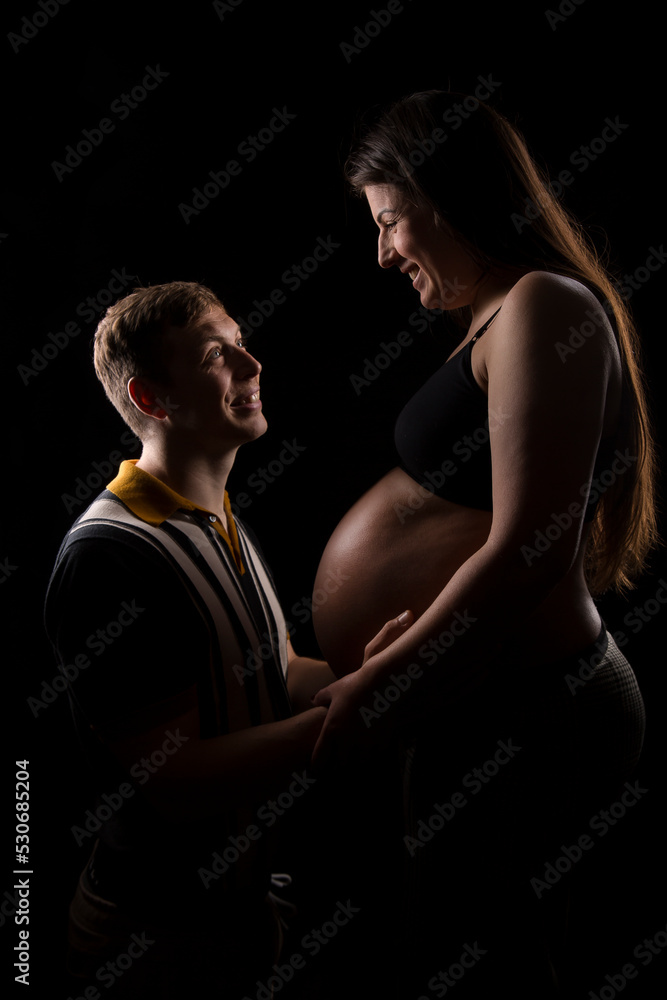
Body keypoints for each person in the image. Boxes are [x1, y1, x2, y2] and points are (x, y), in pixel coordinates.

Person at [309, 91, 658, 997]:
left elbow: (530, 549)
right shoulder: (495, 315)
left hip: (537, 708)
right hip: (482, 700)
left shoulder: (543, 304)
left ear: (449, 197)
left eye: (390, 221)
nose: (383, 252)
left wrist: (383, 683)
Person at [43, 281, 338, 997]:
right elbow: (175, 782)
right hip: (154, 942)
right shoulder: (109, 555)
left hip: (238, 917)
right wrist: (347, 719)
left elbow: (277, 673)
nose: (251, 365)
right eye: (214, 355)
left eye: (240, 343)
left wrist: (381, 671)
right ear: (151, 399)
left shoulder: (216, 516)